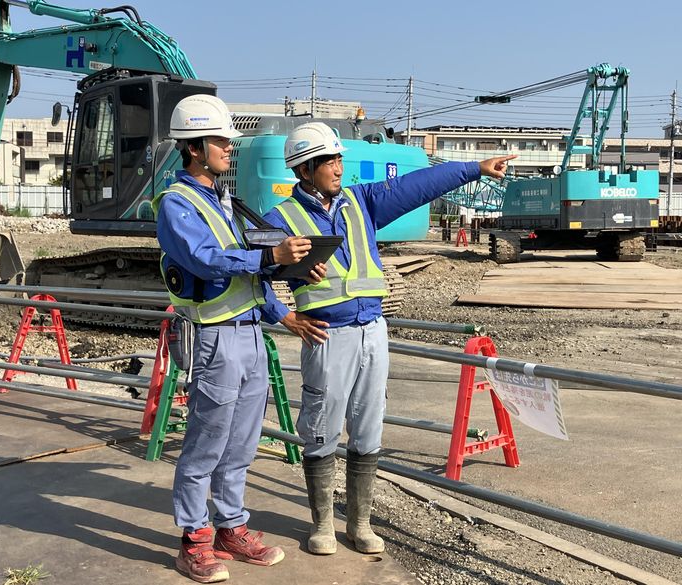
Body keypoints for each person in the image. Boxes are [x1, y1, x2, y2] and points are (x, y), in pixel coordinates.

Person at [262, 122, 515, 556]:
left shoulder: (361, 202)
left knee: (369, 427)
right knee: (321, 428)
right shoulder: (280, 220)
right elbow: (250, 275)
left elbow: (419, 185)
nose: (339, 167)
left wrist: (474, 167)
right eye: (328, 161)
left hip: (373, 332)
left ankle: (359, 524)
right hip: (327, 334)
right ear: (305, 170)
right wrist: (284, 315)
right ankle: (323, 526)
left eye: (339, 158)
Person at [153, 95, 327, 583]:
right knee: (206, 443)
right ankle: (194, 540)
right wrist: (271, 260)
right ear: (193, 148)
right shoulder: (176, 204)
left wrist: (281, 312)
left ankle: (231, 525)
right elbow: (206, 260)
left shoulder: (224, 202)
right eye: (220, 141)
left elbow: (247, 273)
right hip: (214, 339)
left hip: (250, 335)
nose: (230, 148)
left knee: (242, 442)